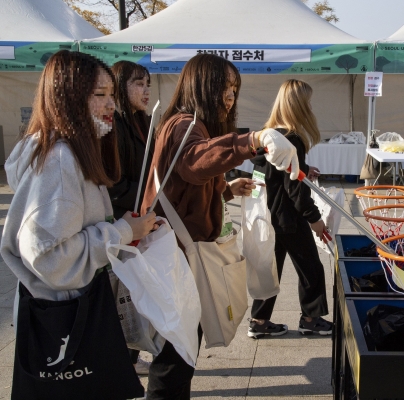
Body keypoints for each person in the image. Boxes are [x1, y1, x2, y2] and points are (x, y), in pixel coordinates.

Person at [140, 53, 299, 399]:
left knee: (180, 351)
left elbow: (186, 187)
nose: (230, 97)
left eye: (234, 89)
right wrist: (252, 140)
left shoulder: (190, 122)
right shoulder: (185, 125)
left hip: (179, 256)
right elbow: (196, 162)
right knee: (174, 358)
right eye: (223, 88)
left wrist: (226, 191)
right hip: (177, 259)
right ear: (202, 86)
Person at [0, 50, 157, 394]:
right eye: (98, 95)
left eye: (112, 95)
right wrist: (121, 232)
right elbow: (47, 257)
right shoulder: (60, 159)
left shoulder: (64, 149)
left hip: (66, 309)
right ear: (66, 99)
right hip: (68, 316)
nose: (110, 105)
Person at [248, 79, 333, 339]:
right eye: (307, 102)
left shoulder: (268, 134)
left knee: (270, 269)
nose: (310, 107)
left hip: (268, 213)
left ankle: (259, 321)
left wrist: (305, 170)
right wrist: (315, 220)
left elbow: (272, 175)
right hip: (289, 218)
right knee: (311, 269)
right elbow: (295, 189)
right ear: (298, 106)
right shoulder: (292, 139)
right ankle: (311, 318)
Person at [109, 60, 154, 375]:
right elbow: (115, 183)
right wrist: (149, 194)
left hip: (140, 219)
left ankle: (130, 355)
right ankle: (122, 359)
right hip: (121, 222)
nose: (146, 90)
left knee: (134, 293)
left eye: (148, 83)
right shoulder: (115, 125)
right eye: (138, 83)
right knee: (122, 294)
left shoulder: (142, 121)